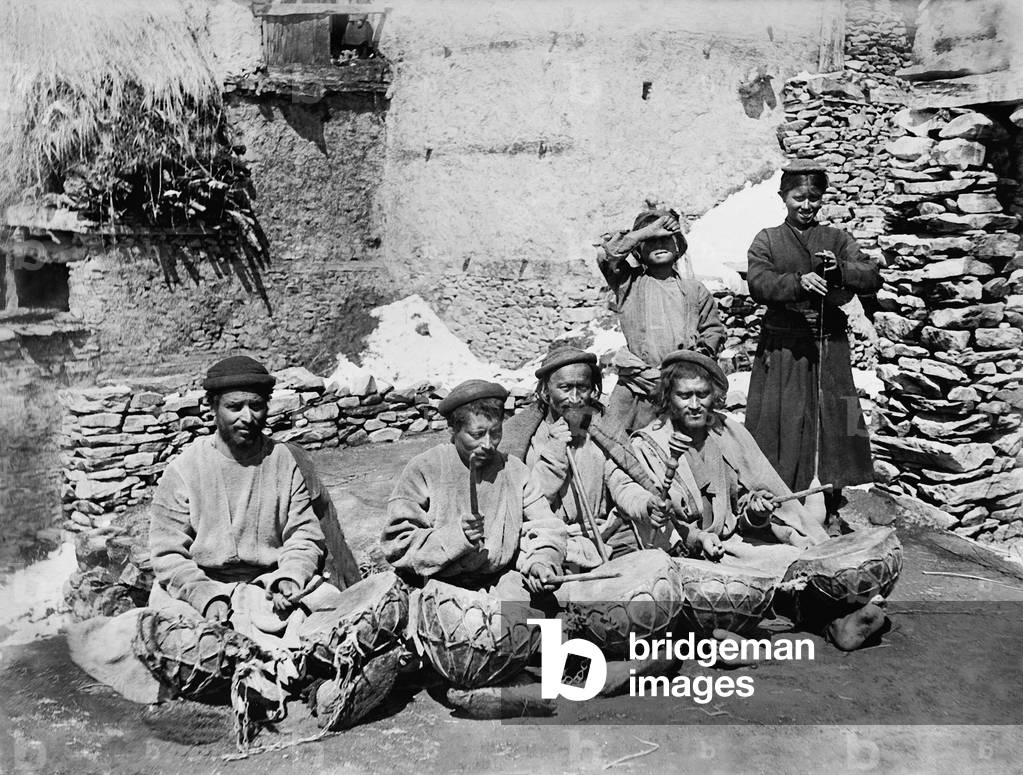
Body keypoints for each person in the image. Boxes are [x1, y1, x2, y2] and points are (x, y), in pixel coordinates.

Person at [149, 355, 351, 649]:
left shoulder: (282, 461)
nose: (247, 416)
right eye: (234, 407)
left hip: (269, 588)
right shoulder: (184, 469)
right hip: (204, 587)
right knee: (169, 631)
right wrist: (203, 596)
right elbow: (167, 553)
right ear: (213, 407)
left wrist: (290, 577)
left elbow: (304, 536)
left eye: (256, 406)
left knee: (332, 612)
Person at [744, 160, 882, 528]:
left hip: (828, 344)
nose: (806, 206)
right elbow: (758, 283)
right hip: (784, 346)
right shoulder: (767, 239)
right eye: (798, 198)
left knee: (835, 415)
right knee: (783, 417)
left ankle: (830, 491)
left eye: (814, 199)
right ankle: (777, 493)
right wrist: (796, 282)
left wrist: (840, 270)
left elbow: (871, 275)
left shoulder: (836, 239)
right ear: (783, 197)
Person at [623, 350, 829, 557]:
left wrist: (756, 513)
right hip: (680, 553)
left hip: (729, 545)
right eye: (684, 396)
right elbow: (652, 517)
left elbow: (741, 516)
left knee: (792, 559)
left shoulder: (726, 434)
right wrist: (697, 537)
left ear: (713, 395)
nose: (694, 406)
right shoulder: (648, 446)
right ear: (668, 396)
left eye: (702, 395)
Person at [381, 379, 567, 600]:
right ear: (454, 429)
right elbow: (397, 544)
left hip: (502, 579)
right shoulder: (425, 468)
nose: (489, 444)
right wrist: (456, 536)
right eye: (477, 435)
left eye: (496, 432)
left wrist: (542, 560)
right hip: (438, 588)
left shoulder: (515, 470)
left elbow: (546, 524)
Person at [501, 345, 661, 567]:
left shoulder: (599, 435)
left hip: (601, 536)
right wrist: (555, 451)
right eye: (565, 388)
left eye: (583, 388)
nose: (575, 398)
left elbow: (620, 483)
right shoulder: (528, 441)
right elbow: (532, 501)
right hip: (550, 541)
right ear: (546, 392)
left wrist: (645, 504)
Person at [596, 207, 726, 433]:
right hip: (638, 386)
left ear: (678, 246)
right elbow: (607, 255)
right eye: (651, 241)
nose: (659, 245)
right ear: (638, 250)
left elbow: (713, 330)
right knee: (621, 448)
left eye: (666, 240)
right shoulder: (629, 284)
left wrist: (697, 359)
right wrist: (648, 230)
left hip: (682, 388)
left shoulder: (693, 290)